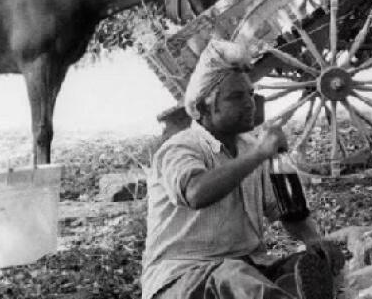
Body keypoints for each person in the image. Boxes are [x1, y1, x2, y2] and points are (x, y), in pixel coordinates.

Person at [142, 39, 341, 299]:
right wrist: (259, 154)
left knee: (306, 265)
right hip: (183, 277)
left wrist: (313, 240)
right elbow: (195, 192)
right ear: (203, 107)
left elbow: (285, 210)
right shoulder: (179, 148)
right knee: (235, 277)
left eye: (250, 94)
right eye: (236, 97)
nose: (249, 104)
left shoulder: (249, 147)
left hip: (247, 269)